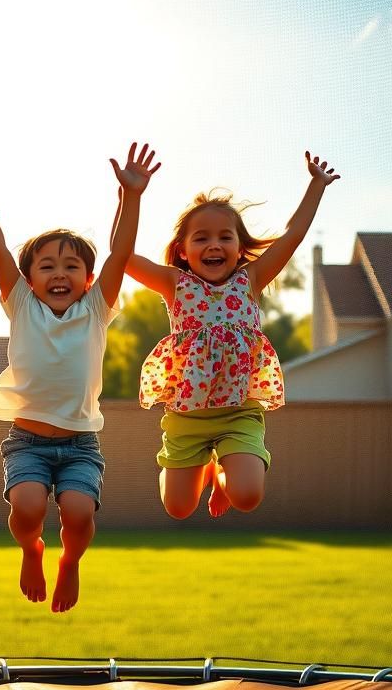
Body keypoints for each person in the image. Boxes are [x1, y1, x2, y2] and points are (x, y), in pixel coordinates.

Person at [0, 143, 160, 613]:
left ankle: (70, 561)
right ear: (27, 279)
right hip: (27, 442)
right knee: (26, 509)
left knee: (79, 515)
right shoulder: (22, 305)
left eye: (71, 267)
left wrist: (132, 196)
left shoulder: (95, 309)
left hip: (80, 444)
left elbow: (121, 252)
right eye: (46, 266)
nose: (59, 274)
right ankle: (31, 549)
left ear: (88, 279)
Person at [125, 151, 341, 520]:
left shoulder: (250, 280)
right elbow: (124, 257)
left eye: (225, 237)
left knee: (247, 495)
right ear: (182, 251)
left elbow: (292, 236)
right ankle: (207, 468)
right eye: (201, 238)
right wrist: (131, 196)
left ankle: (223, 476)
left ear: (239, 248)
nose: (214, 245)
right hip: (187, 416)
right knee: (178, 508)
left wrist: (316, 186)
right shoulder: (175, 284)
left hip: (239, 411)